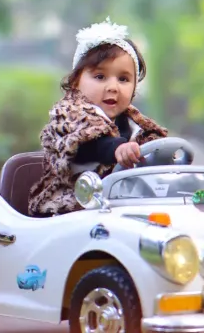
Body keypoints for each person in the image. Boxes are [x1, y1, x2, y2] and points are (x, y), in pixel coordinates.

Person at [28, 18, 168, 217]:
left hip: (118, 205)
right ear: (76, 81)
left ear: (134, 87)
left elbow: (148, 150)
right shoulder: (69, 114)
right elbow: (87, 144)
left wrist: (160, 156)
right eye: (100, 77)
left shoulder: (132, 122)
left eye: (123, 79)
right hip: (71, 205)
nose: (112, 87)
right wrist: (118, 148)